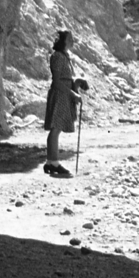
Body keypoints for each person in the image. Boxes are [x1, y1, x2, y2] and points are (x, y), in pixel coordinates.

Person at [44, 29, 86, 177]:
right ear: (64, 41)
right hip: (60, 95)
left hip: (64, 94)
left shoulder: (64, 56)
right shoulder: (57, 57)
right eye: (70, 39)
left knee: (56, 128)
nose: (73, 41)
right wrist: (72, 93)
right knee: (56, 128)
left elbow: (65, 79)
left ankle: (50, 162)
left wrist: (77, 83)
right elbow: (56, 81)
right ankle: (54, 163)